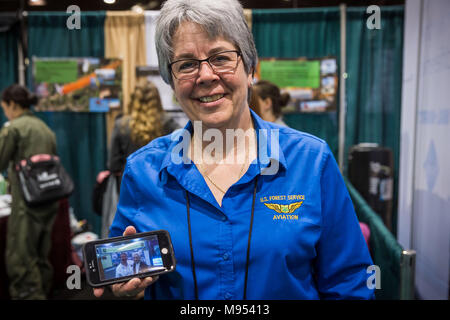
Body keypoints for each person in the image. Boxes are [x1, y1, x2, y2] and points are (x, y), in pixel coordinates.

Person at [94, 0, 374, 300]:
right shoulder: (143, 171)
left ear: (250, 67)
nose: (205, 76)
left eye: (221, 57)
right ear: (171, 81)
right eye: (186, 64)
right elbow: (118, 279)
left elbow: (349, 283)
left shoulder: (310, 161)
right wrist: (122, 293)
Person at [0, 84, 59, 299]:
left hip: (26, 202)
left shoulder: (13, 128)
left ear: (12, 105)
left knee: (21, 257)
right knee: (41, 254)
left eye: (4, 107)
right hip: (49, 198)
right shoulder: (44, 128)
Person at [108, 78, 179, 179]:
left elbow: (113, 165)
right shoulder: (167, 122)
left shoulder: (121, 124)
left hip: (130, 183)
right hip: (159, 184)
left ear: (133, 98)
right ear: (157, 99)